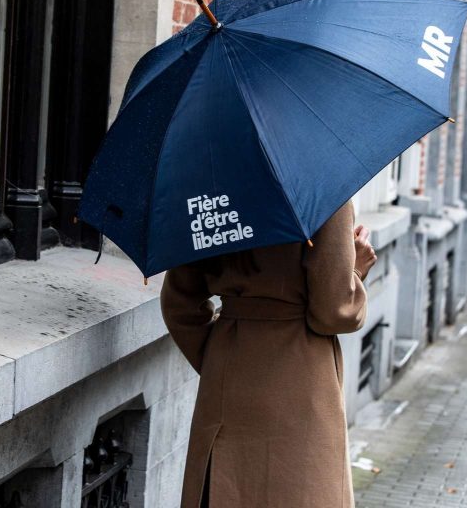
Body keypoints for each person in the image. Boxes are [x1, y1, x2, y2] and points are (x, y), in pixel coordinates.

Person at [160, 199, 377, 508]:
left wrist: (220, 365)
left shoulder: (211, 188)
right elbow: (334, 311)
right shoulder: (320, 191)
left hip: (229, 371)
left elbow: (179, 304)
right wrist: (355, 270)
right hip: (302, 377)